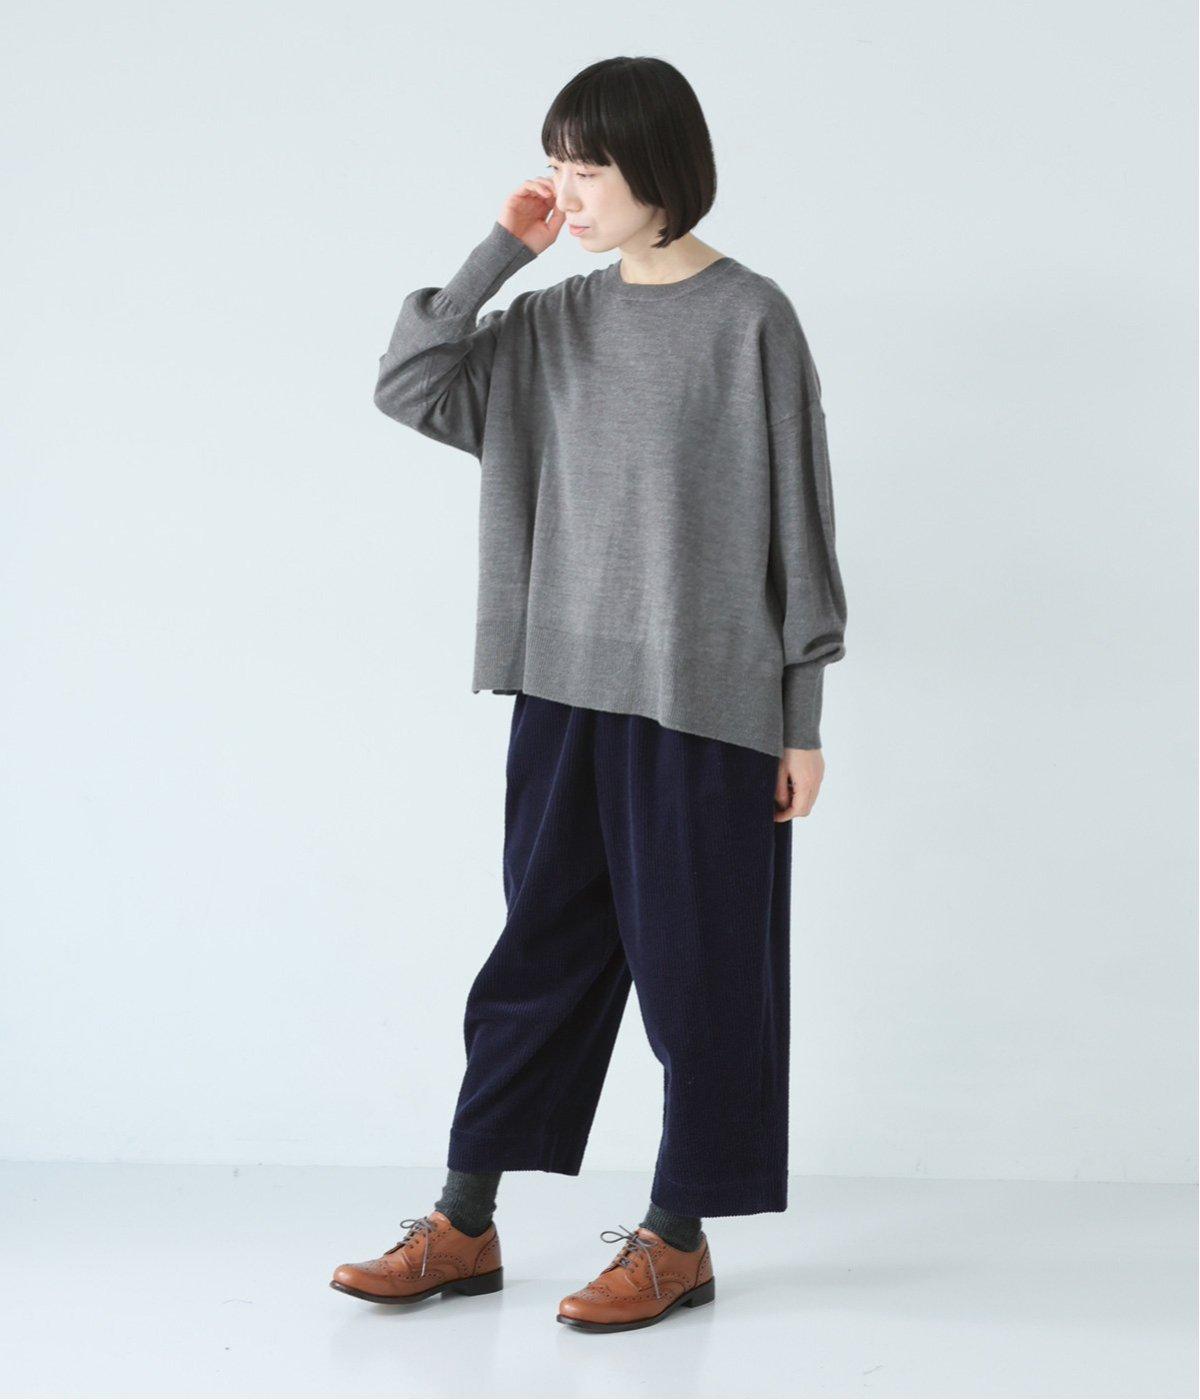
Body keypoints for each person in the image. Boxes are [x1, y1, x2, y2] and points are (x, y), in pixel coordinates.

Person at [330, 54, 848, 1333]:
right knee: (537, 959)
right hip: (562, 690)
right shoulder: (551, 321)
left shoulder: (751, 319)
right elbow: (409, 384)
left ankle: (679, 1237)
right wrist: (497, 254)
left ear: (659, 168)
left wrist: (801, 721)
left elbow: (801, 525)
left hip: (706, 704)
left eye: (588, 167)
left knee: (701, 976)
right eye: (555, 163)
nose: (565, 189)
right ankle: (464, 1219)